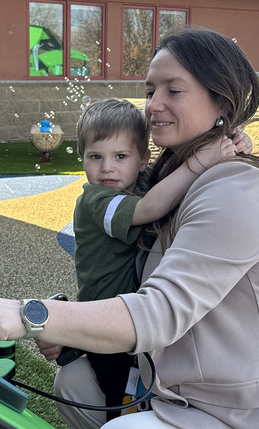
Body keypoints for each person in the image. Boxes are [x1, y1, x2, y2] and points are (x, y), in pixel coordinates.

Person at [0, 26, 259, 428]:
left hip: (256, 412)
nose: (154, 105)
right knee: (76, 382)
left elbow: (160, 312)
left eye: (174, 90)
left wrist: (33, 315)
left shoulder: (238, 190)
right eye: (151, 92)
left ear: (221, 99)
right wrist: (70, 317)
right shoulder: (170, 177)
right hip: (183, 391)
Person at [72, 98, 236, 421]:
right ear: (82, 160)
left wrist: (230, 141)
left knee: (140, 389)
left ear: (143, 159)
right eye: (95, 157)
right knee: (118, 403)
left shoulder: (142, 182)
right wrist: (203, 162)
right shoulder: (95, 200)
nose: (107, 168)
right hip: (104, 321)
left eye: (120, 156)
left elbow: (171, 179)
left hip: (131, 315)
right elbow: (149, 209)